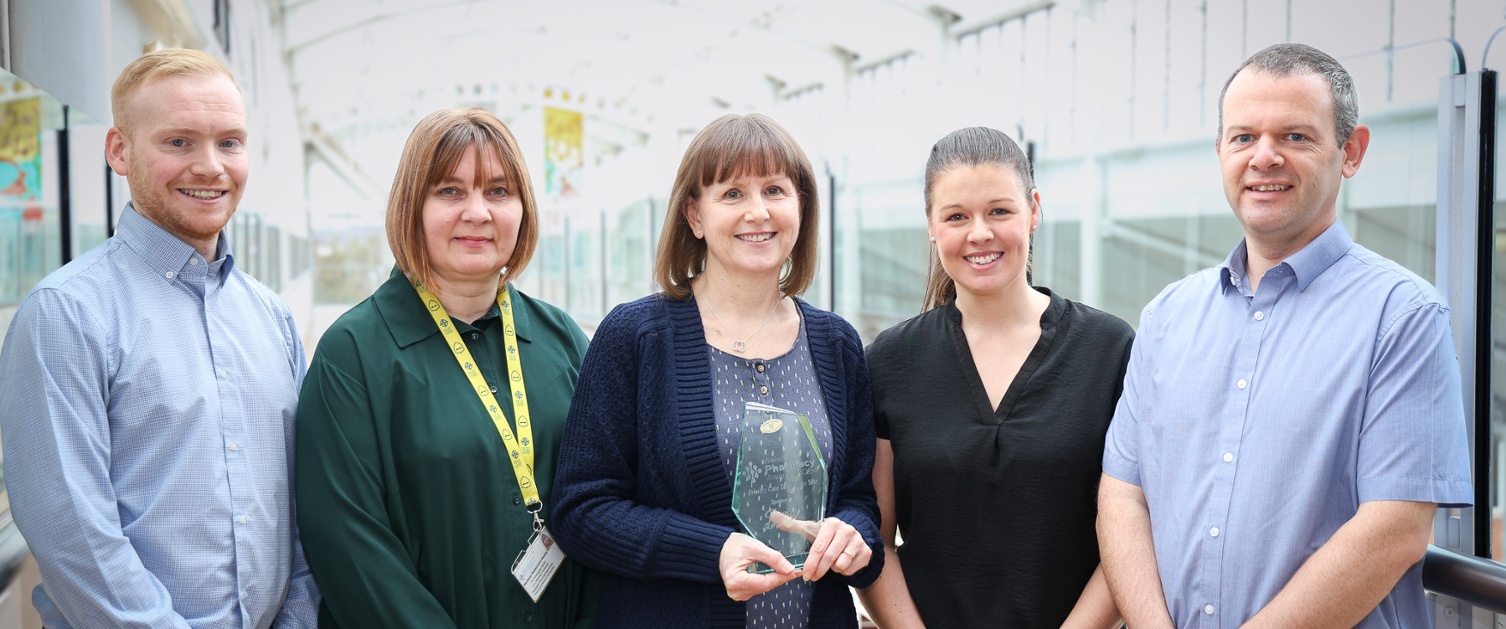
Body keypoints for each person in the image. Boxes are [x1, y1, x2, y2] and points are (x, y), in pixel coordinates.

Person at [1098, 42, 1473, 628]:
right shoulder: (1168, 315)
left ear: (1350, 152)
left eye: (1295, 137)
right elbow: (1123, 495)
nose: (1263, 157)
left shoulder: (1403, 316)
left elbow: (1395, 529)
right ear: (1220, 151)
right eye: (1244, 137)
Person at [0, 48, 318, 628]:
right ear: (119, 151)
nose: (210, 166)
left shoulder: (271, 317)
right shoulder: (66, 315)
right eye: (178, 142)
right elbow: (75, 539)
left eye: (229, 142)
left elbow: (302, 507)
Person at [550, 113, 883, 628]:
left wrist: (852, 534)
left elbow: (859, 499)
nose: (758, 212)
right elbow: (580, 511)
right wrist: (712, 552)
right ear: (695, 216)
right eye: (732, 194)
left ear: (801, 208)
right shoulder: (637, 337)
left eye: (775, 190)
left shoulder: (836, 343)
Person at [294, 107, 596, 628]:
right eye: (450, 191)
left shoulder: (563, 341)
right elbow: (349, 544)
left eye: (499, 191)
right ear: (412, 206)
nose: (478, 212)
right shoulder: (353, 354)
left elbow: (606, 501)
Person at [857, 127, 1130, 628]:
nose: (979, 233)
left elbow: (1132, 530)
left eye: (999, 211)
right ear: (931, 227)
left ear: (1034, 211)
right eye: (957, 216)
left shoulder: (1110, 351)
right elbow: (875, 537)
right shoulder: (889, 361)